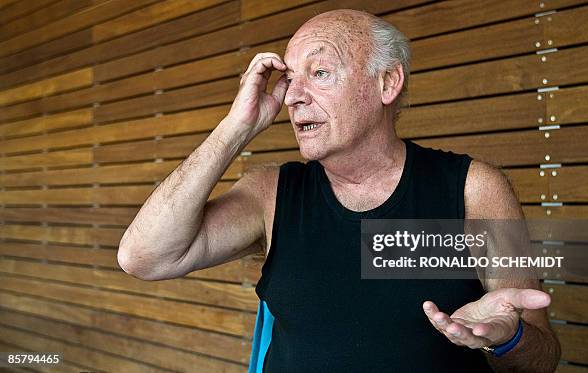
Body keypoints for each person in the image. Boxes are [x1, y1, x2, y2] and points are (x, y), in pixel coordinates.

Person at [117, 9, 561, 372]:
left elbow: (541, 360)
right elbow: (144, 257)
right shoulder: (271, 194)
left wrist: (508, 338)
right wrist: (236, 127)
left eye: (321, 72)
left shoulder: (473, 189)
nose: (292, 97)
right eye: (291, 79)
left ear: (388, 82)